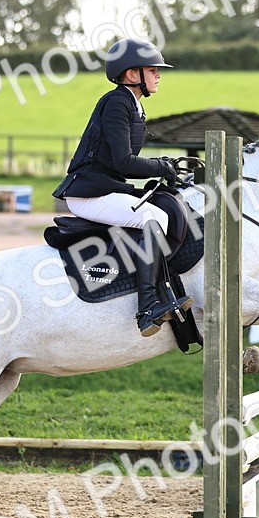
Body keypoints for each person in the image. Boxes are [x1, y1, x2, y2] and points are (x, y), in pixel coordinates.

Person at [52, 38, 191, 337]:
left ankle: (159, 292)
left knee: (160, 213)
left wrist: (166, 167)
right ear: (131, 75)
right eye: (153, 69)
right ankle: (147, 308)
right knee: (153, 218)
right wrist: (161, 165)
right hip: (88, 194)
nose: (158, 75)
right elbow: (125, 161)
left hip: (104, 188)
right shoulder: (117, 102)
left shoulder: (133, 104)